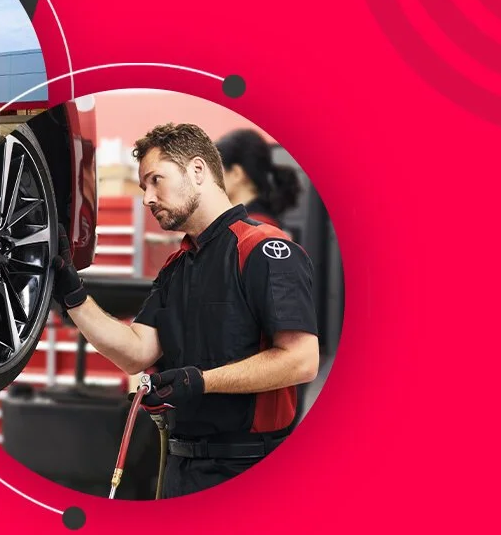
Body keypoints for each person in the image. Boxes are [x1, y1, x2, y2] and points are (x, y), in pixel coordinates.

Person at [50, 122, 319, 498]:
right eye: (144, 186)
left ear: (197, 170)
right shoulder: (177, 267)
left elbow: (302, 360)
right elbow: (135, 352)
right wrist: (73, 296)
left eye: (155, 180)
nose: (147, 197)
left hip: (248, 471)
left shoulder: (263, 249)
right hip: (181, 472)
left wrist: (201, 381)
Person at [215, 128, 302, 231]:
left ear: (236, 174)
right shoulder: (265, 222)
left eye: (216, 170)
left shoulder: (247, 228)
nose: (213, 179)